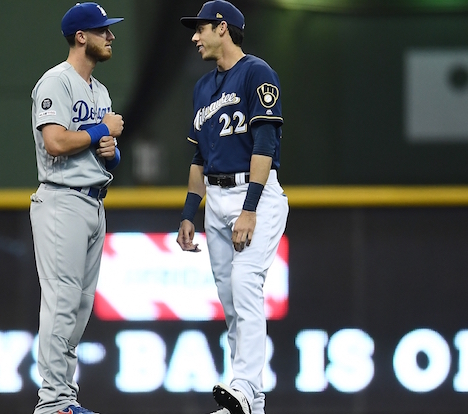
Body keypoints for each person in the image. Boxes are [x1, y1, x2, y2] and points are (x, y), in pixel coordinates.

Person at [177, 2, 289, 414]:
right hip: (215, 197)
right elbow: (197, 159)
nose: (194, 36)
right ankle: (251, 404)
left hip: (253, 193)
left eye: (200, 28)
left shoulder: (258, 72)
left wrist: (251, 208)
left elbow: (265, 144)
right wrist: (190, 211)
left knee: (245, 288)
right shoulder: (202, 87)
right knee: (231, 305)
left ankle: (242, 386)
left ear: (222, 28)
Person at [29, 3, 124, 414]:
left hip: (93, 201)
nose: (111, 36)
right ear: (81, 36)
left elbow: (100, 155)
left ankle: (65, 398)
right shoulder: (56, 82)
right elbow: (55, 142)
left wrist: (110, 150)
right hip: (61, 200)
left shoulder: (99, 91)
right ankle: (52, 403)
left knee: (79, 309)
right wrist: (102, 130)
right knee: (62, 303)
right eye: (103, 30)